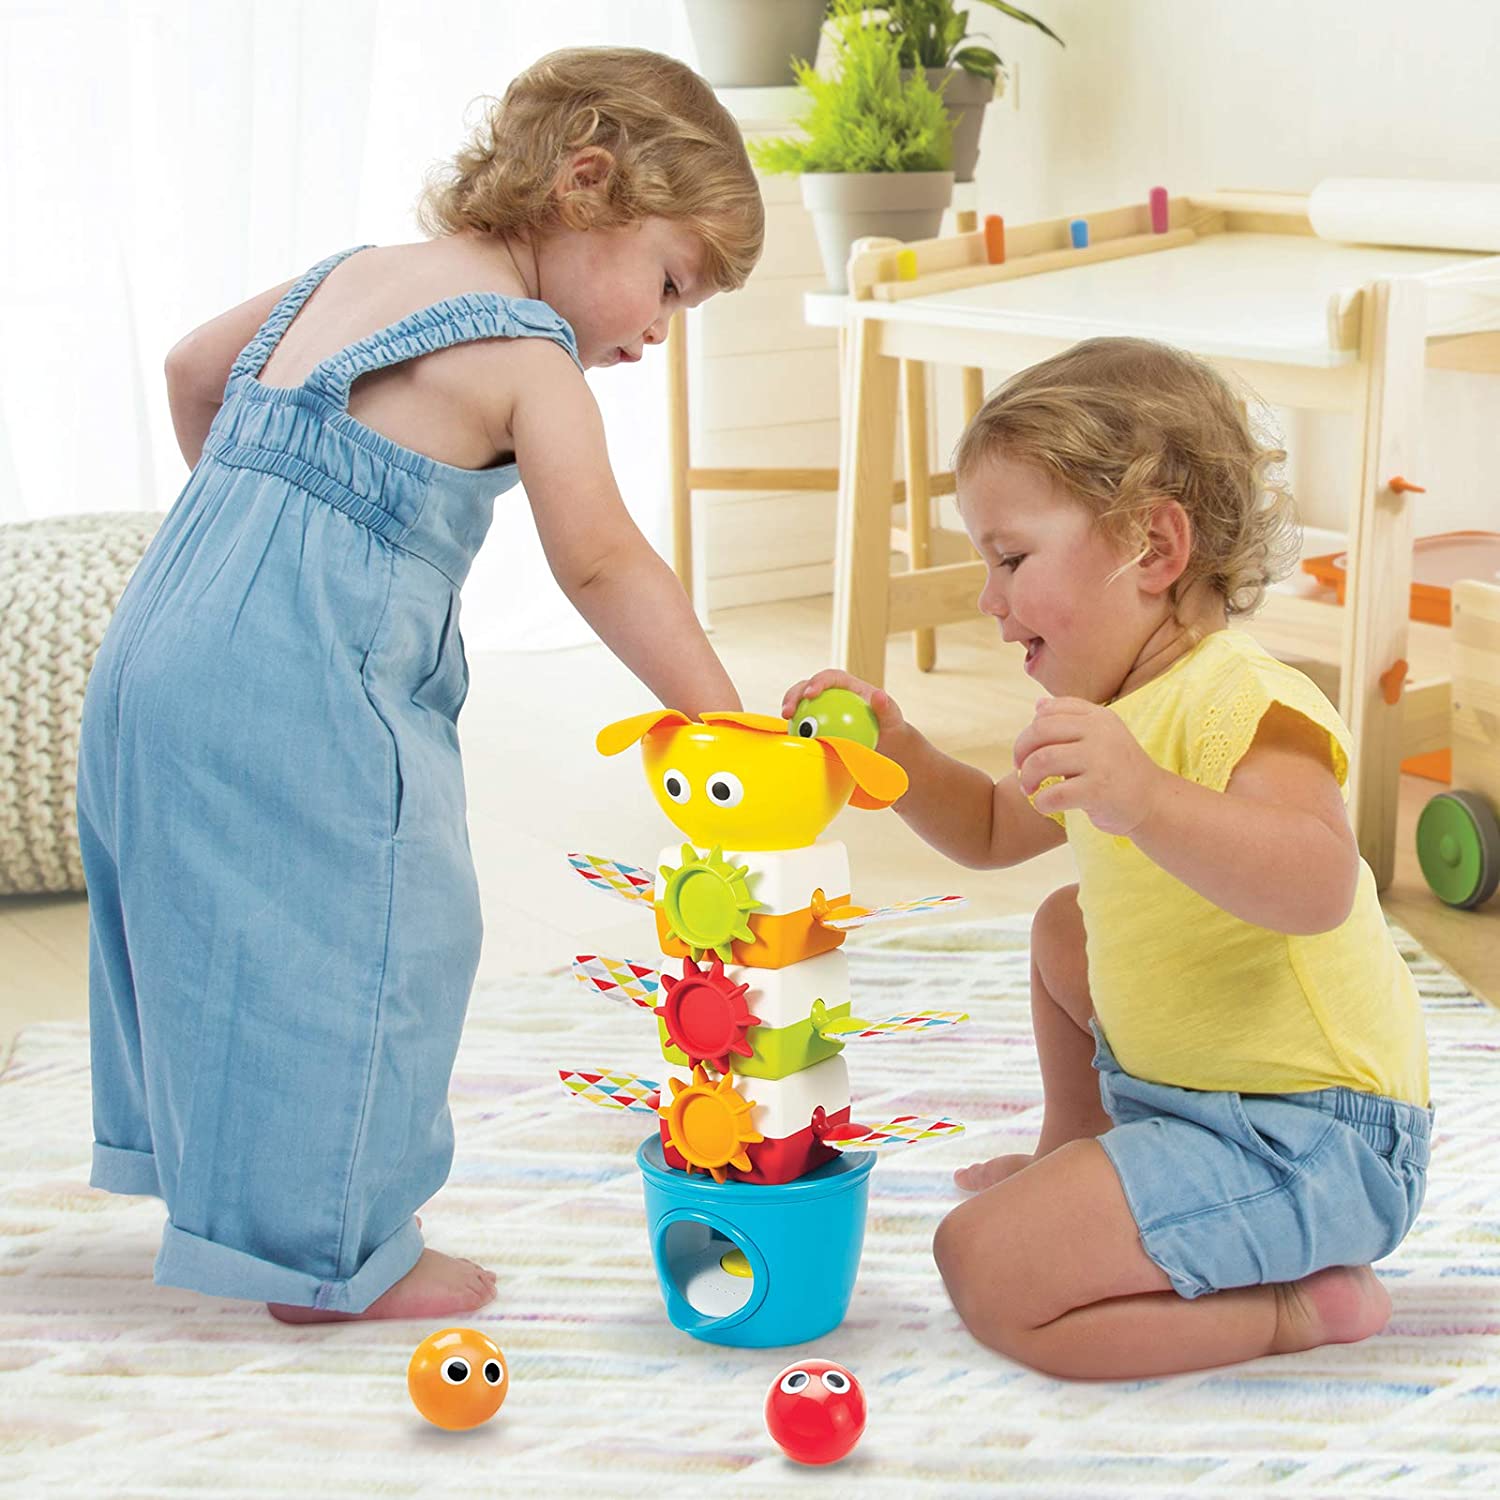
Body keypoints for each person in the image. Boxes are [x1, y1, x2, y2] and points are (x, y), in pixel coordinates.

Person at [78, 46, 761, 1324]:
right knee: (383, 937)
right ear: (587, 184)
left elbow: (189, 370)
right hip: (295, 686)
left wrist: (260, 526)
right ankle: (331, 1254)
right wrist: (727, 721)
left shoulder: (350, 274)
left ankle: (223, 1189)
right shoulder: (525, 352)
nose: (659, 332)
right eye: (670, 283)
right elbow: (603, 560)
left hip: (157, 644)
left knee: (215, 930)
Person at [782, 337, 1431, 1379]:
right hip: (1192, 1101)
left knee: (985, 1267)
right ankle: (1076, 1153)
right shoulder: (1114, 708)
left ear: (1153, 548)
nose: (988, 599)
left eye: (1011, 560)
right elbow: (990, 830)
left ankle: (1296, 1312)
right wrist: (898, 757)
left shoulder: (1242, 697)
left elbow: (1318, 884)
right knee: (1062, 928)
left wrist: (1148, 798)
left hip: (1314, 1141)